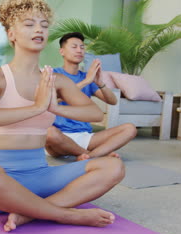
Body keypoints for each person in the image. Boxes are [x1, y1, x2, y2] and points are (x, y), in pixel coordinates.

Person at [0, 0, 125, 232]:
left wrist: (53, 106)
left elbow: (94, 113)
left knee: (114, 167)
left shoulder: (56, 80)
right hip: (2, 181)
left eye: (43, 25)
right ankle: (65, 215)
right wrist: (36, 107)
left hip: (42, 178)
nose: (38, 29)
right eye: (29, 24)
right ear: (11, 34)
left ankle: (30, 214)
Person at [45, 32, 137, 161]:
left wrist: (100, 83)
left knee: (130, 129)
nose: (79, 50)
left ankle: (87, 156)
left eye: (82, 47)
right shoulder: (53, 74)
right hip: (58, 136)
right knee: (49, 133)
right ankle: (95, 154)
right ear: (62, 51)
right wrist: (86, 82)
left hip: (85, 136)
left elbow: (112, 101)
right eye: (74, 47)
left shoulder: (86, 76)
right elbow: (48, 102)